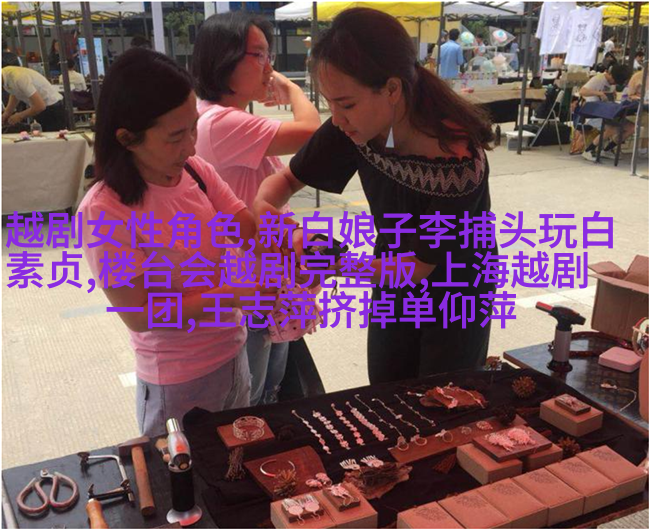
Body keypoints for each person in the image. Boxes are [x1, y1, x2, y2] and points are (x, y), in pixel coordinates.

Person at [254, 8, 496, 384]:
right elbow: (278, 185)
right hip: (390, 272)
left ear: (392, 90)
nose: (337, 119)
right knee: (385, 388)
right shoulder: (353, 126)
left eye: (346, 104)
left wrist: (329, 261)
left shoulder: (457, 159)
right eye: (330, 103)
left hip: (456, 287)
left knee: (443, 396)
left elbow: (417, 268)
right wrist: (287, 230)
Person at [78, 48, 276, 437]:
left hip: (232, 356)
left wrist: (295, 246)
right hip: (178, 382)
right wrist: (232, 294)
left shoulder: (195, 172)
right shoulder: (105, 211)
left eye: (193, 129)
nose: (190, 147)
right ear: (127, 138)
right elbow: (140, 314)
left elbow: (248, 231)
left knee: (236, 463)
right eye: (175, 136)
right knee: (183, 475)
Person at [192, 11, 320, 406]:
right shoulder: (220, 122)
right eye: (260, 55)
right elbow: (314, 134)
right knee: (258, 392)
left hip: (265, 271)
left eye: (270, 56)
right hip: (252, 274)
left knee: (270, 386)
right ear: (224, 59)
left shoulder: (222, 117)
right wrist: (292, 88)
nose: (270, 68)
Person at [580, 64, 634, 161]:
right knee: (612, 128)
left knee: (631, 127)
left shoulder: (613, 83)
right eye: (614, 81)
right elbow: (582, 91)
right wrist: (599, 93)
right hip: (593, 113)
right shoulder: (598, 79)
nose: (613, 84)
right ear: (611, 75)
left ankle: (607, 149)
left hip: (607, 113)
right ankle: (588, 150)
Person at [2, 65, 65, 131]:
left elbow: (40, 106)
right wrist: (7, 113)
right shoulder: (5, 74)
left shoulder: (19, 78)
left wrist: (19, 116)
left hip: (52, 109)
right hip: (41, 108)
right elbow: (15, 93)